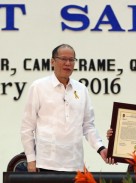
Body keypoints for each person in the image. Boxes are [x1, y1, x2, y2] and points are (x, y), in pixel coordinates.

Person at [21, 44, 110, 172]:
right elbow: (27, 127)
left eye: (71, 60)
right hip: (46, 163)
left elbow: (88, 126)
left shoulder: (81, 89)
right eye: (63, 59)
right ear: (52, 61)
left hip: (75, 164)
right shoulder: (38, 87)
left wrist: (100, 148)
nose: (68, 63)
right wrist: (31, 160)